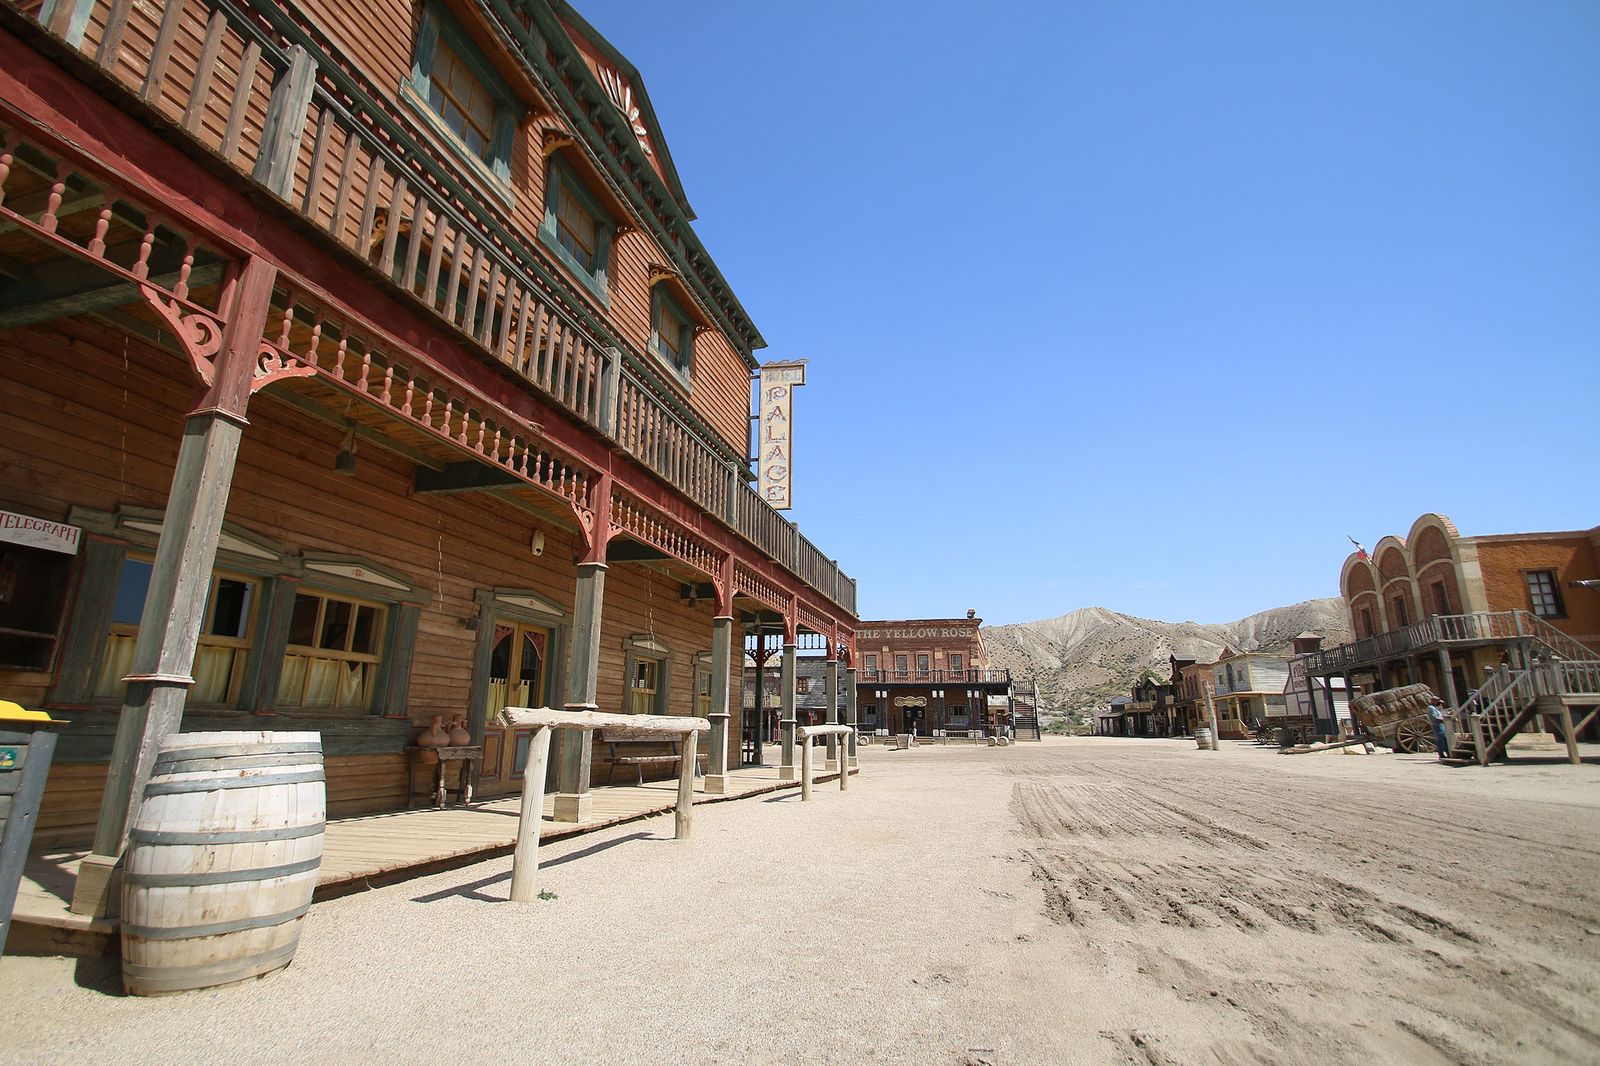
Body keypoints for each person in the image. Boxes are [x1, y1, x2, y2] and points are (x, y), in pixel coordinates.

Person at [1426, 694, 1450, 759]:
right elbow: (1435, 718)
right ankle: (1441, 754)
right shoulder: (1431, 708)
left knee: (1444, 739)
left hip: (1440, 725)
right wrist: (1444, 720)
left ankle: (1447, 753)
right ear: (1434, 701)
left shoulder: (1435, 708)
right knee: (1440, 740)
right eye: (1437, 701)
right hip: (1437, 725)